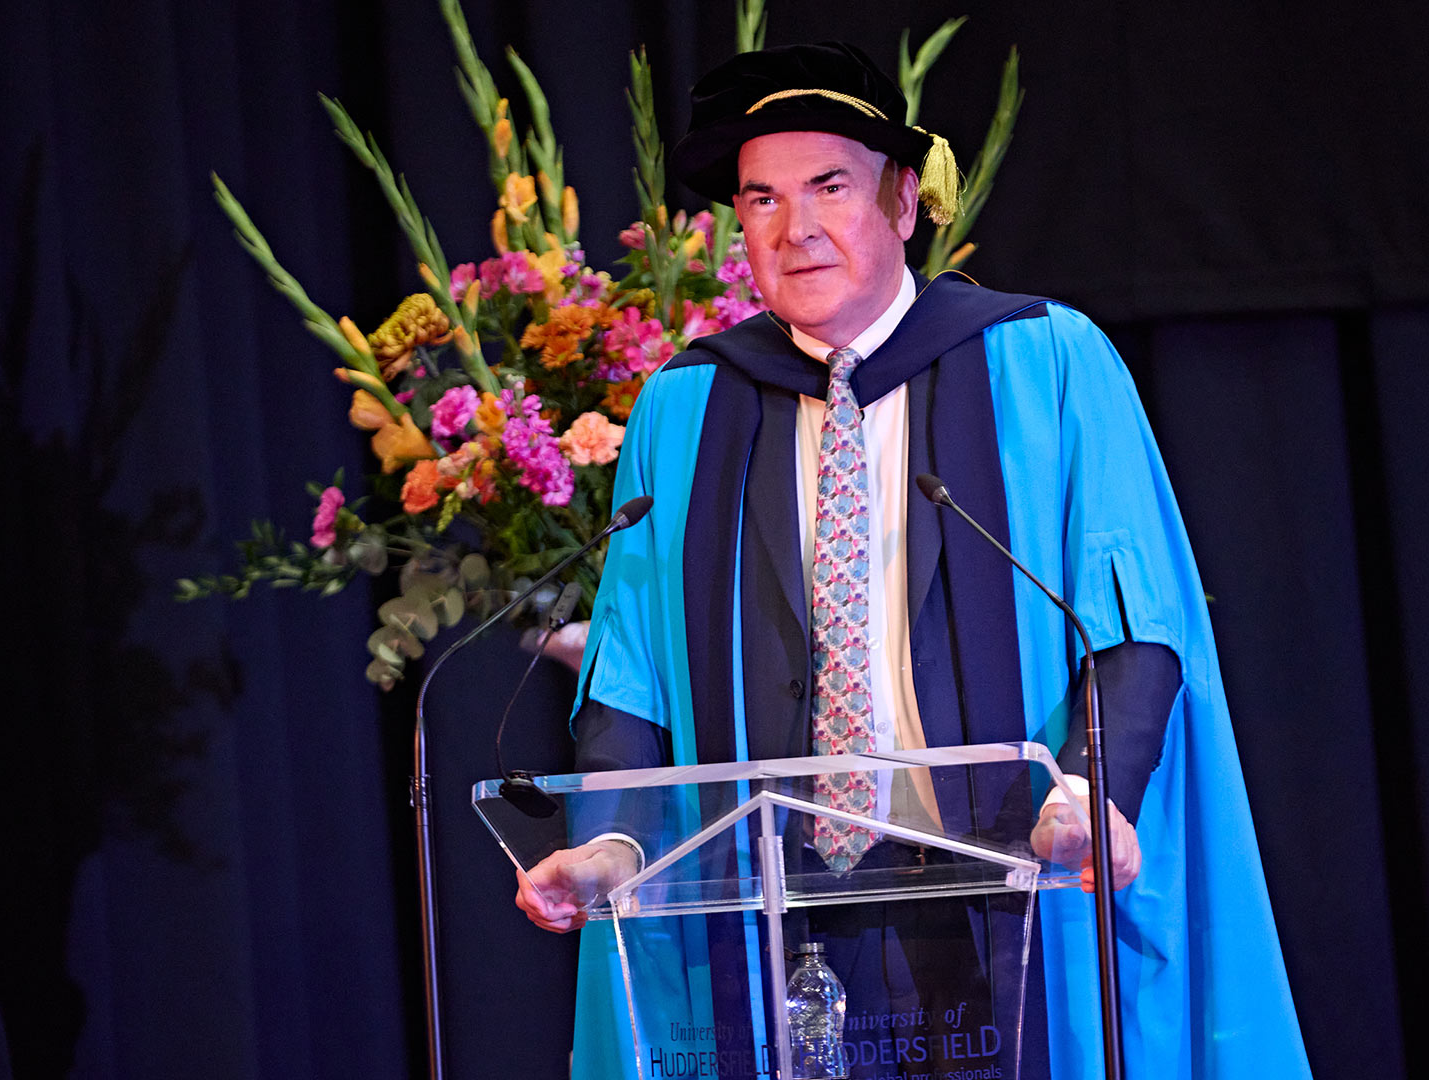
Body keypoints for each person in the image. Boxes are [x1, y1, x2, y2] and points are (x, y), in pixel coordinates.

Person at [514, 41, 1310, 1080]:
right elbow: (631, 666)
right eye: (762, 199)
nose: (795, 229)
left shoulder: (1045, 360)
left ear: (902, 201)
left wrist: (1089, 790)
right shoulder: (686, 406)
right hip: (773, 908)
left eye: (829, 187)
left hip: (1011, 882)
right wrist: (613, 842)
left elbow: (1131, 620)